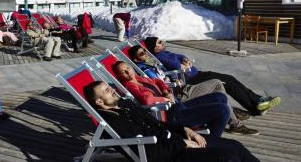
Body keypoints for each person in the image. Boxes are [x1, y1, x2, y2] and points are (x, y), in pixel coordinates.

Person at [84, 80, 301, 162]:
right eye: (105, 91)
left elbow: (160, 126)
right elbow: (151, 154)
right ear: (100, 102)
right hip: (172, 156)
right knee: (229, 158)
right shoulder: (115, 122)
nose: (111, 89)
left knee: (235, 146)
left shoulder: (126, 106)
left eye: (108, 87)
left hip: (179, 142)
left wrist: (185, 130)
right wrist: (183, 144)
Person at [127, 45, 259, 135]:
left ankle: (231, 116)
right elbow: (155, 89)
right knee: (218, 85)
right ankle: (234, 122)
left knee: (219, 86)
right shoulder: (145, 71)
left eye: (144, 51)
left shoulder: (151, 64)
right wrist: (170, 88)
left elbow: (159, 81)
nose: (145, 54)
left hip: (181, 88)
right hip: (179, 96)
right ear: (135, 59)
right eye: (141, 53)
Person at [144, 36, 281, 116]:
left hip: (197, 74)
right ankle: (256, 104)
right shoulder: (160, 56)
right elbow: (174, 63)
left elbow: (178, 56)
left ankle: (256, 104)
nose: (163, 43)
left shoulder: (164, 52)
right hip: (193, 80)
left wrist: (184, 58)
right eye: (159, 42)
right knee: (229, 82)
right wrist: (181, 63)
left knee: (229, 80)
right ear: (154, 48)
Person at [112, 61, 230, 138]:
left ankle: (206, 128)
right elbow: (147, 100)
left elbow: (158, 81)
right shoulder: (130, 86)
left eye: (128, 67)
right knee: (223, 109)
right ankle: (212, 142)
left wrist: (166, 92)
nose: (128, 71)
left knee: (220, 97)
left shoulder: (140, 78)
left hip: (177, 106)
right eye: (123, 72)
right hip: (171, 115)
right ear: (120, 76)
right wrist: (164, 99)